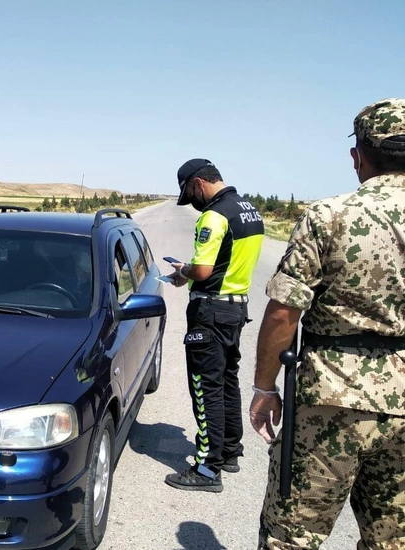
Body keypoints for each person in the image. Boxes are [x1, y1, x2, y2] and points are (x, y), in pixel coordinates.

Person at [250, 98, 405, 548]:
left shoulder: (330, 216)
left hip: (332, 399)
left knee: (293, 534)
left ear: (359, 157)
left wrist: (264, 388)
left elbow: (284, 310)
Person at [164, 159, 265, 492]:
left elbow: (204, 270)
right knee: (226, 381)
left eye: (189, 194)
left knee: (205, 387)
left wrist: (183, 271)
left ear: (198, 183)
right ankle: (231, 450)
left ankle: (208, 468)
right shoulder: (248, 209)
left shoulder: (214, 215)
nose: (191, 202)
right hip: (235, 308)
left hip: (210, 311)